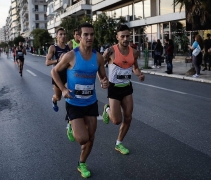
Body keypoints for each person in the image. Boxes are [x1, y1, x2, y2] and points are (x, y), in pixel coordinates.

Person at [52, 23, 109, 178]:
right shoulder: (71, 55)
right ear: (79, 36)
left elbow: (103, 77)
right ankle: (71, 124)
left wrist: (105, 82)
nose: (89, 37)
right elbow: (54, 71)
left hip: (91, 102)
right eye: (86, 34)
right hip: (74, 103)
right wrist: (63, 90)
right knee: (83, 139)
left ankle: (82, 163)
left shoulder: (98, 57)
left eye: (92, 34)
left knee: (91, 138)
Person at [102, 24, 145, 155]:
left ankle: (119, 143)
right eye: (123, 36)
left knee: (128, 117)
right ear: (117, 37)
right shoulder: (110, 51)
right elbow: (99, 65)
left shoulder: (134, 52)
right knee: (116, 121)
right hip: (114, 89)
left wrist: (139, 74)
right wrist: (103, 78)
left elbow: (135, 68)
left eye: (128, 36)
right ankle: (107, 109)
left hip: (127, 88)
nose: (126, 39)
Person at [46, 28, 71, 112]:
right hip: (57, 76)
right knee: (58, 97)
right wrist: (58, 60)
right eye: (60, 34)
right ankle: (54, 100)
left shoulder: (69, 47)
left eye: (64, 34)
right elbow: (47, 62)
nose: (63, 36)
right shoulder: (53, 48)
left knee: (70, 94)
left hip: (68, 75)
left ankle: (71, 118)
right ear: (56, 36)